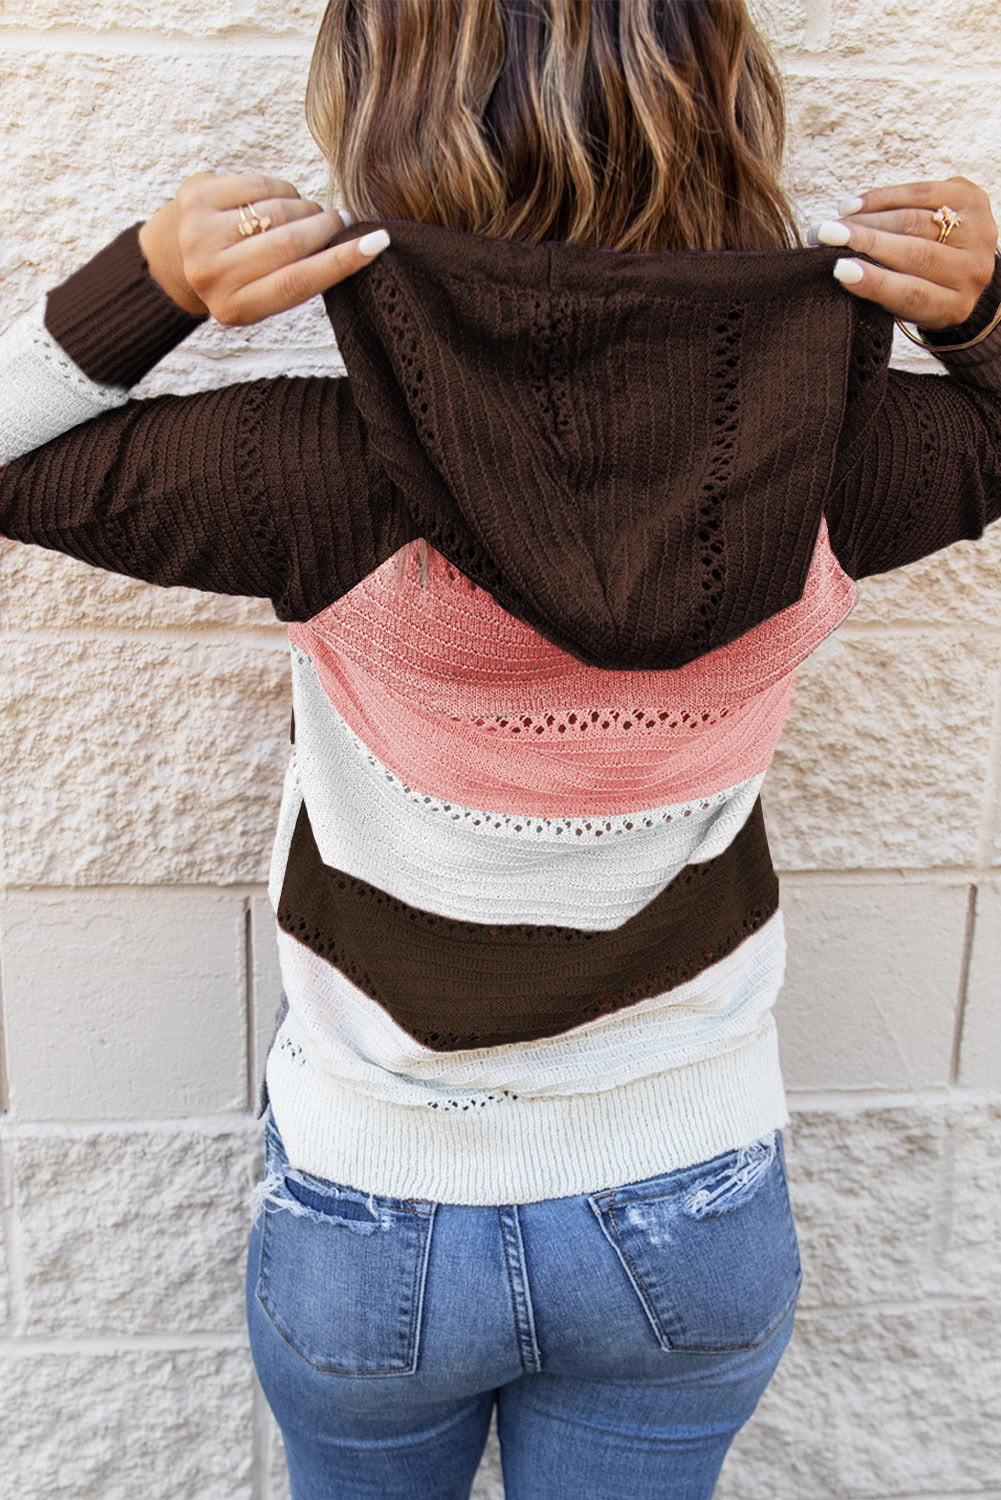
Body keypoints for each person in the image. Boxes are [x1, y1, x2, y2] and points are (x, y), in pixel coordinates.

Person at [1, 2, 999, 1497]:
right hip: (694, 1202)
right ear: (730, 116)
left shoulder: (315, 474)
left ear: (381, 129)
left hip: (375, 1216)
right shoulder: (836, 468)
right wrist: (982, 320)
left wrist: (143, 289)